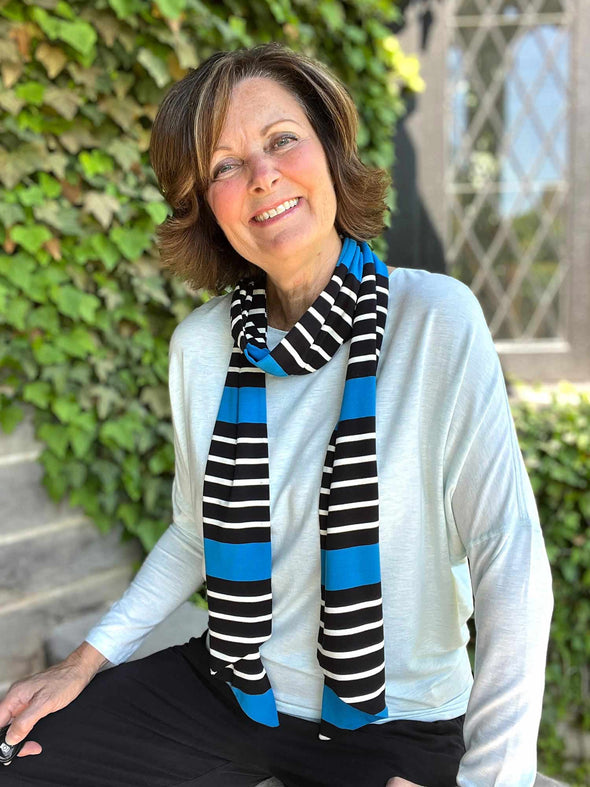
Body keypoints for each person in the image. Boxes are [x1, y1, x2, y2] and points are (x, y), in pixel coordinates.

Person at [0, 43, 553, 787]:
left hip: (398, 718)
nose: (261, 175)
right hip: (233, 690)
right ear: (205, 205)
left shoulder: (434, 320)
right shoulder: (203, 347)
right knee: (20, 758)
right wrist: (84, 660)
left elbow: (508, 556)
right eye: (224, 165)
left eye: (282, 140)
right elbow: (196, 531)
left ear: (329, 150)